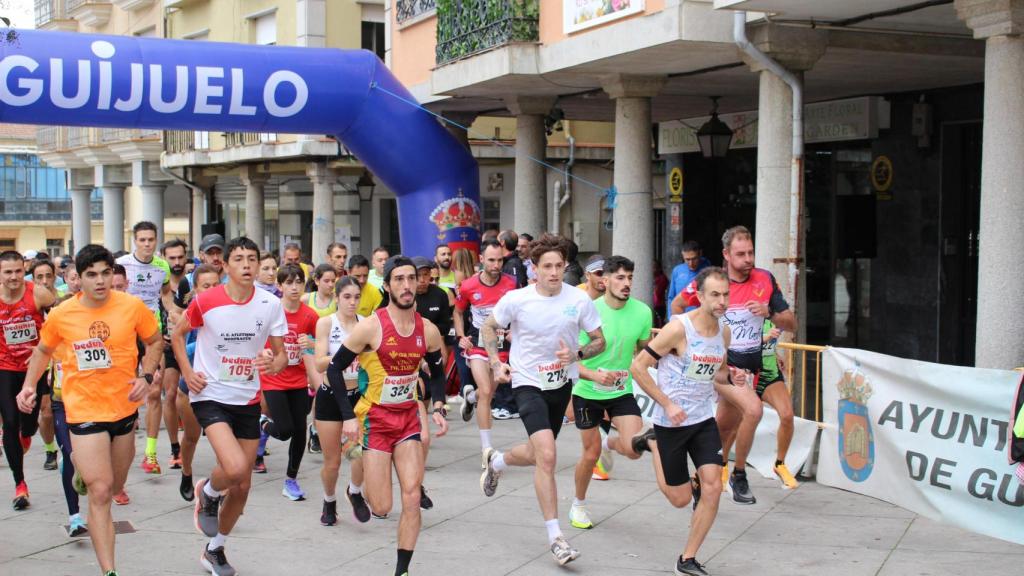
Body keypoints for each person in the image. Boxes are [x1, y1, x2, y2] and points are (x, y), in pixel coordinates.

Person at [17, 244, 162, 576]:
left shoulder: (132, 307)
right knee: (99, 492)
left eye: (106, 273)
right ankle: (109, 570)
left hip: (123, 410)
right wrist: (28, 386)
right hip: (83, 410)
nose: (100, 281)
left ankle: (88, 470)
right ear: (77, 280)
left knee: (114, 486)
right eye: (91, 275)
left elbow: (155, 342)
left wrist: (147, 375)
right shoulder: (62, 314)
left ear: (113, 274)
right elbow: (42, 351)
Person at [479, 233, 604, 566]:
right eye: (546, 266)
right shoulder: (517, 299)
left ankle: (496, 462)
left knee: (537, 454)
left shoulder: (579, 301)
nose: (553, 272)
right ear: (533, 268)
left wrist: (577, 353)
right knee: (548, 455)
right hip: (527, 383)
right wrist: (495, 362)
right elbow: (489, 328)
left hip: (560, 385)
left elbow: (599, 341)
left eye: (559, 266)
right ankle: (557, 538)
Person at [171, 236, 288, 576]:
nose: (248, 265)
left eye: (253, 259)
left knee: (243, 485)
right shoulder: (207, 301)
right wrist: (188, 372)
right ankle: (206, 491)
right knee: (235, 468)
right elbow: (178, 335)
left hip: (247, 397)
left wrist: (273, 363)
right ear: (226, 265)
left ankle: (215, 549)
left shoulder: (269, 304)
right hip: (210, 394)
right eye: (240, 259)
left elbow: (279, 354)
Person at [328, 255, 449, 576]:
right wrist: (348, 416)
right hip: (374, 421)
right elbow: (334, 368)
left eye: (412, 278)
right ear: (387, 285)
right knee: (381, 507)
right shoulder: (370, 326)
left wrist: (438, 405)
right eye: (399, 279)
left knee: (411, 497)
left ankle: (402, 570)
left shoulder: (428, 330)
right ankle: (355, 483)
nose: (407, 285)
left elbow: (438, 373)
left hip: (408, 418)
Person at [630, 266, 743, 576]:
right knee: (679, 498)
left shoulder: (724, 331)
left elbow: (717, 373)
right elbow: (638, 368)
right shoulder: (678, 329)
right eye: (715, 295)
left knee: (712, 487)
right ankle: (652, 443)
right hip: (671, 423)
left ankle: (687, 559)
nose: (722, 302)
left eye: (726, 295)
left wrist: (732, 376)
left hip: (704, 419)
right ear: (700, 296)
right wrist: (666, 403)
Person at [671, 226, 796, 504]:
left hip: (751, 369)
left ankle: (698, 479)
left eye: (751, 252)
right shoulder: (713, 281)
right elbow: (678, 306)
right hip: (722, 368)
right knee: (753, 410)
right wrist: (695, 344)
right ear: (726, 255)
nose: (748, 259)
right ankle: (739, 474)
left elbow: (791, 323)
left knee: (723, 431)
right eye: (741, 254)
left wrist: (770, 313)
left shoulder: (765, 279)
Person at [569, 256, 652, 529]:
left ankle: (609, 443)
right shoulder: (588, 310)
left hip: (621, 390)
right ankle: (578, 505)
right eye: (619, 277)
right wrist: (594, 374)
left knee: (634, 450)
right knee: (590, 454)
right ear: (604, 281)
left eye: (629, 277)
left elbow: (644, 351)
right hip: (588, 390)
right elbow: (572, 359)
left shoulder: (642, 312)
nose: (626, 283)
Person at [259, 264, 321, 502]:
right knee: (284, 430)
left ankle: (291, 479)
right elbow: (256, 338)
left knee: (299, 430)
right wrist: (263, 354)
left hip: (298, 379)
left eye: (298, 282)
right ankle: (263, 424)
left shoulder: (310, 316)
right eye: (289, 283)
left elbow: (321, 345)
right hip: (274, 377)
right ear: (279, 286)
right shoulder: (270, 312)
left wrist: (312, 344)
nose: (294, 288)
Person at [0, 250, 56, 509]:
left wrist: (47, 348)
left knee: (29, 426)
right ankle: (20, 484)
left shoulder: (39, 294)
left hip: (34, 367)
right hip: (4, 367)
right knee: (9, 423)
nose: (14, 277)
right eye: (8, 272)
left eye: (18, 271)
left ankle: (27, 435)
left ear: (25, 270)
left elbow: (58, 322)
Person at [116, 221, 172, 476]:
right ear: (134, 241)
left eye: (151, 239)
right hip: (125, 330)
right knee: (123, 387)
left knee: (155, 388)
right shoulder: (124, 264)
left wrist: (174, 315)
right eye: (142, 240)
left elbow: (166, 295)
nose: (147, 244)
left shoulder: (162, 266)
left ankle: (150, 453)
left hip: (152, 331)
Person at [313, 276, 370, 525]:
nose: (352, 302)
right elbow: (318, 362)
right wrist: (346, 352)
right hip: (330, 396)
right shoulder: (326, 323)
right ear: (336, 297)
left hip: (358, 394)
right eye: (347, 297)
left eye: (357, 297)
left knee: (362, 454)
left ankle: (355, 492)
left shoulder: (366, 324)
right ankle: (329, 500)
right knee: (333, 461)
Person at [454, 240, 518, 454]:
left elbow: (517, 312)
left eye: (500, 260)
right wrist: (461, 335)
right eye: (491, 260)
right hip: (478, 346)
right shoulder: (469, 286)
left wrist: (513, 332)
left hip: (500, 347)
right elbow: (457, 312)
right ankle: (487, 449)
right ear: (481, 260)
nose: (496, 264)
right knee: (487, 390)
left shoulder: (511, 283)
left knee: (486, 395)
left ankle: (471, 398)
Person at [173, 264, 221, 503]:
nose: (212, 290)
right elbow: (179, 343)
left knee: (224, 441)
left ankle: (217, 487)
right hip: (192, 384)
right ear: (195, 289)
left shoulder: (228, 311)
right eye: (206, 286)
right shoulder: (191, 313)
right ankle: (186, 472)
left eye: (216, 285)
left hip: (222, 384)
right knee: (191, 437)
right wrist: (203, 348)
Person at [752, 318, 798, 489]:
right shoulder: (739, 310)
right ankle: (723, 466)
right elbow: (734, 343)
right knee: (731, 426)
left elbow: (769, 343)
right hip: (745, 374)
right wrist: (764, 338)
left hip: (770, 375)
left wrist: (775, 353)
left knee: (787, 415)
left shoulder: (774, 315)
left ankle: (780, 463)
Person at [161, 239, 190, 471]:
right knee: (169, 394)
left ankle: (190, 437)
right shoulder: (158, 285)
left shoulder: (193, 283)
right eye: (172, 258)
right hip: (167, 347)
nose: (177, 262)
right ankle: (174, 448)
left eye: (181, 257)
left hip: (190, 346)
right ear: (164, 258)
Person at [30, 259, 60, 470]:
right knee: (45, 411)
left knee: (51, 409)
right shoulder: (29, 300)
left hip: (61, 361)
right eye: (39, 277)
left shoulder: (62, 301)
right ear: (33, 280)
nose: (45, 281)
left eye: (48, 276)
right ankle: (50, 448)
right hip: (39, 360)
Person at [177, 234, 226, 304]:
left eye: (219, 252)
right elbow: (175, 312)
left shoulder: (234, 279)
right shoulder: (187, 280)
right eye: (210, 253)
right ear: (202, 255)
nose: (215, 258)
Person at [666, 240, 709, 318]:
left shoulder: (707, 269)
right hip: (681, 318)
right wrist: (671, 318)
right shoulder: (677, 271)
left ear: (700, 254)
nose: (691, 263)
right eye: (687, 259)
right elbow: (671, 297)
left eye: (694, 259)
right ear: (683, 256)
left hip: (700, 319)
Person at [653, 259, 669, 327]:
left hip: (659, 306)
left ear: (659, 268)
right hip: (655, 305)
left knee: (658, 326)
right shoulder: (652, 278)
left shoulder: (662, 278)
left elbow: (657, 293)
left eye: (654, 267)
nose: (652, 269)